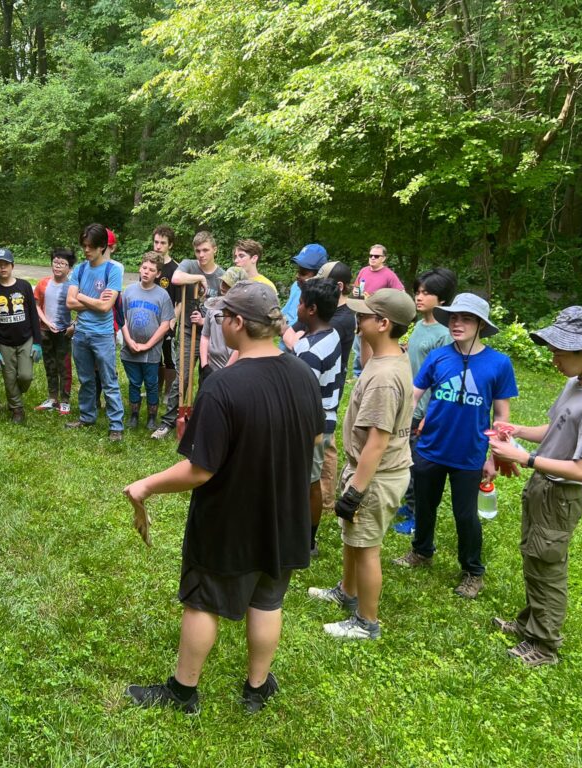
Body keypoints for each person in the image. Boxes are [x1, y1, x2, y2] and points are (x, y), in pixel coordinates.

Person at [123, 282, 322, 714]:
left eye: (221, 317)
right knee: (267, 600)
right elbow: (316, 438)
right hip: (285, 516)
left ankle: (182, 692)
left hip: (229, 520)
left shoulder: (223, 386)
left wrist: (145, 485)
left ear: (236, 323)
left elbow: (200, 469)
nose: (218, 323)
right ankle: (257, 688)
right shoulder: (305, 376)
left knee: (202, 602)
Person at [489, 307, 582, 667]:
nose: (554, 358)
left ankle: (544, 646)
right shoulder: (574, 384)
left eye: (562, 351)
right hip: (542, 488)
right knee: (534, 557)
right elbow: (554, 431)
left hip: (561, 495)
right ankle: (530, 623)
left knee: (549, 567)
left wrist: (523, 458)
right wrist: (518, 433)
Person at [391, 293, 518, 600]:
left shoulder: (499, 364)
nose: (458, 324)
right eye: (455, 318)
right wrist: (398, 433)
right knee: (424, 504)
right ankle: (421, 551)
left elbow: (501, 416)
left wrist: (495, 457)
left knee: (466, 516)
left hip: (469, 454)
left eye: (467, 318)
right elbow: (414, 395)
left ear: (481, 325)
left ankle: (473, 571)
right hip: (430, 447)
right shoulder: (438, 356)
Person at [308, 288, 415, 641]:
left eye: (364, 316)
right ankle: (347, 592)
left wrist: (355, 491)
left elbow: (377, 441)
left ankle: (366, 622)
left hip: (376, 475)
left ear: (384, 323)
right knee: (354, 537)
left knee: (367, 547)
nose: (356, 318)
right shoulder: (388, 357)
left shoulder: (384, 379)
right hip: (371, 471)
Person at [392, 268, 457, 535]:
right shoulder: (419, 325)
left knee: (420, 466)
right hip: (409, 403)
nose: (419, 297)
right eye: (418, 291)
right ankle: (409, 505)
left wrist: (431, 413)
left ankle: (419, 516)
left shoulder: (445, 333)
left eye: (427, 293)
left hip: (426, 410)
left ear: (441, 299)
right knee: (405, 458)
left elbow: (445, 377)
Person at [151, 231, 225, 439]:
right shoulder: (189, 265)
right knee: (182, 376)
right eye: (198, 250)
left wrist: (204, 321)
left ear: (214, 250)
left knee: (207, 377)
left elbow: (225, 308)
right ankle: (168, 422)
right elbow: (175, 278)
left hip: (210, 335)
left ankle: (200, 419)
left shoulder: (222, 275)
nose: (201, 254)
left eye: (205, 250)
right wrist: (200, 277)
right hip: (186, 331)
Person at [289, 278, 343, 559]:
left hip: (311, 425)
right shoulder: (331, 334)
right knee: (308, 478)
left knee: (309, 481)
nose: (296, 307)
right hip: (327, 417)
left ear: (310, 309)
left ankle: (308, 541)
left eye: (299, 303)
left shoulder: (308, 350)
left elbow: (303, 395)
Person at [65, 223, 126, 441]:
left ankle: (116, 426)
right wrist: (90, 300)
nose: (86, 250)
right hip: (80, 333)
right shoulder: (80, 269)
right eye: (84, 246)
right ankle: (87, 417)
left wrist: (81, 296)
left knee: (109, 380)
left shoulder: (114, 270)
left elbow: (104, 307)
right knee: (86, 379)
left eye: (90, 246)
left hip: (102, 335)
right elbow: (69, 302)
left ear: (102, 247)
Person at [311, 261, 356, 515]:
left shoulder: (342, 319)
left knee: (325, 442)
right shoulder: (332, 314)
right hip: (322, 381)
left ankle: (325, 499)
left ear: (338, 286)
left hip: (329, 387)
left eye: (322, 280)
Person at [0, 249, 42, 425]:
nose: (3, 268)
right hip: (4, 343)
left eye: (6, 264)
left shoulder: (24, 286)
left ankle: (16, 393)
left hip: (26, 339)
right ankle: (17, 409)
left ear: (12, 266)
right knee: (9, 378)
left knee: (25, 376)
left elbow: (33, 314)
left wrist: (37, 342)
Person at [121, 253, 174, 430]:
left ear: (158, 274)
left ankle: (152, 416)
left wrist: (148, 345)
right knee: (134, 382)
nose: (146, 272)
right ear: (139, 268)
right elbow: (122, 319)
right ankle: (134, 414)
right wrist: (128, 340)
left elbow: (165, 324)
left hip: (151, 352)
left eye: (151, 270)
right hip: (130, 349)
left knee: (151, 384)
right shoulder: (128, 291)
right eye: (144, 268)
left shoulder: (162, 295)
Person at [33, 247, 76, 415]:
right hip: (45, 330)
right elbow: (36, 305)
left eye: (62, 263)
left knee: (64, 365)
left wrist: (74, 325)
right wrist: (45, 322)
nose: (58, 266)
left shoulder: (72, 286)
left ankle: (65, 400)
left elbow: (82, 308)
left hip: (64, 332)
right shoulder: (43, 283)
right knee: (49, 364)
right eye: (55, 262)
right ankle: (52, 398)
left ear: (69, 268)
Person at [352, 243, 404, 374]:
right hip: (360, 312)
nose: (372, 258)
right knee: (358, 345)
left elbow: (400, 293)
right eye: (370, 255)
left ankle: (371, 372)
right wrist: (357, 295)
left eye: (376, 256)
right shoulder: (363, 271)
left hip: (376, 316)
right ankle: (359, 374)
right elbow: (356, 288)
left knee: (372, 345)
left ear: (384, 258)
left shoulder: (389, 275)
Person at [199, 266, 248, 382]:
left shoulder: (245, 312)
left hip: (233, 370)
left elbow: (241, 346)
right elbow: (205, 336)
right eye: (223, 282)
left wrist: (224, 371)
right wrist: (205, 365)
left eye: (228, 284)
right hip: (211, 367)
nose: (223, 287)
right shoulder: (213, 306)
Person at [154, 225, 182, 402]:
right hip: (151, 320)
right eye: (156, 242)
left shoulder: (175, 269)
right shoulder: (149, 265)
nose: (158, 246)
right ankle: (156, 389)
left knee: (168, 356)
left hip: (168, 321)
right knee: (155, 357)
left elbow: (179, 301)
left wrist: (173, 321)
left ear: (170, 245)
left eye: (162, 243)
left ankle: (167, 393)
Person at [280, 243, 329, 337]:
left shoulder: (320, 298)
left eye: (303, 273)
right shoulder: (296, 285)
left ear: (318, 274)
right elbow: (285, 311)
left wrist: (282, 328)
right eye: (298, 271)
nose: (297, 276)